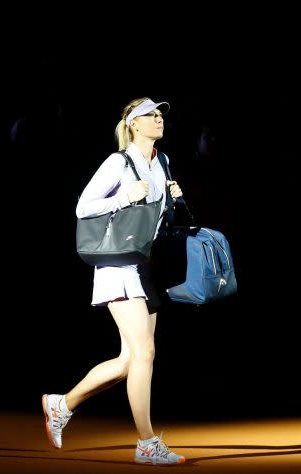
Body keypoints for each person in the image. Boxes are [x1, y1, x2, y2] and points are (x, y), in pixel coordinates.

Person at [42, 97, 186, 465]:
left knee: (129, 360)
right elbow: (83, 207)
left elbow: (155, 221)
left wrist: (174, 200)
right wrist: (123, 196)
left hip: (144, 265)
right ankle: (146, 443)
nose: (158, 120)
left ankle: (62, 404)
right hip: (116, 265)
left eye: (160, 115)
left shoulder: (162, 162)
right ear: (134, 125)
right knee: (146, 354)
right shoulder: (117, 162)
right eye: (150, 115)